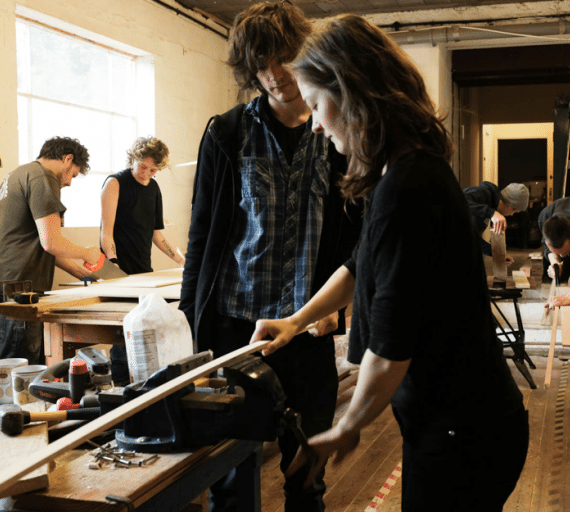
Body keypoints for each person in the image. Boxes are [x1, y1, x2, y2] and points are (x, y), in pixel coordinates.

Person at [249, 14, 528, 512]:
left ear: (352, 93)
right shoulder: (402, 171)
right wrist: (296, 321)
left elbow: (391, 348)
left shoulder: (409, 186)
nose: (314, 122)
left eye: (316, 104)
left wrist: (344, 428)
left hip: (464, 435)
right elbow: (359, 267)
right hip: (462, 425)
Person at [178, 2, 361, 511]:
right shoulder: (227, 132)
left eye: (284, 58)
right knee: (231, 474)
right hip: (237, 327)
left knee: (307, 473)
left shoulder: (336, 130)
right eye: (261, 64)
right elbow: (203, 233)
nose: (275, 75)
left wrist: (337, 311)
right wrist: (193, 318)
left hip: (306, 328)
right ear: (248, 67)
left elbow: (358, 239)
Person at [0, 137, 101, 364]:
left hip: (6, 283)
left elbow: (43, 245)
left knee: (22, 367)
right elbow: (52, 242)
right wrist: (87, 253)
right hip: (18, 287)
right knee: (22, 372)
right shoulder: (44, 177)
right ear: (67, 159)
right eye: (73, 175)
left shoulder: (19, 174)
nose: (69, 183)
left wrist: (83, 275)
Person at [100, 136, 185, 385]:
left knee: (143, 333)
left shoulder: (154, 188)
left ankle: (145, 386)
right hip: (118, 272)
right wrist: (113, 264)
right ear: (133, 159)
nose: (147, 174)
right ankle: (121, 390)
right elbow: (107, 232)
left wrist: (180, 260)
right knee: (121, 335)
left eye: (153, 170)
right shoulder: (115, 183)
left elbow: (156, 234)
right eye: (143, 167)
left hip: (143, 272)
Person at [464, 181, 530, 263]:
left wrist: (498, 254)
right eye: (515, 211)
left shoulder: (490, 208)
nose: (512, 215)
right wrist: (491, 213)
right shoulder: (482, 193)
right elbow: (459, 200)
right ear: (510, 205)